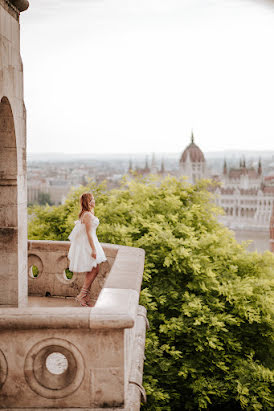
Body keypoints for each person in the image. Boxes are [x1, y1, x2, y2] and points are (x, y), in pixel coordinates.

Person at [67, 192, 107, 306]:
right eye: (92, 200)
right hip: (88, 244)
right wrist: (93, 249)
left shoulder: (88, 213)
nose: (94, 201)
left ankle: (85, 295)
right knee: (94, 269)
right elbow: (89, 233)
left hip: (91, 241)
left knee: (92, 269)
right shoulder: (87, 215)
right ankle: (82, 295)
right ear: (88, 202)